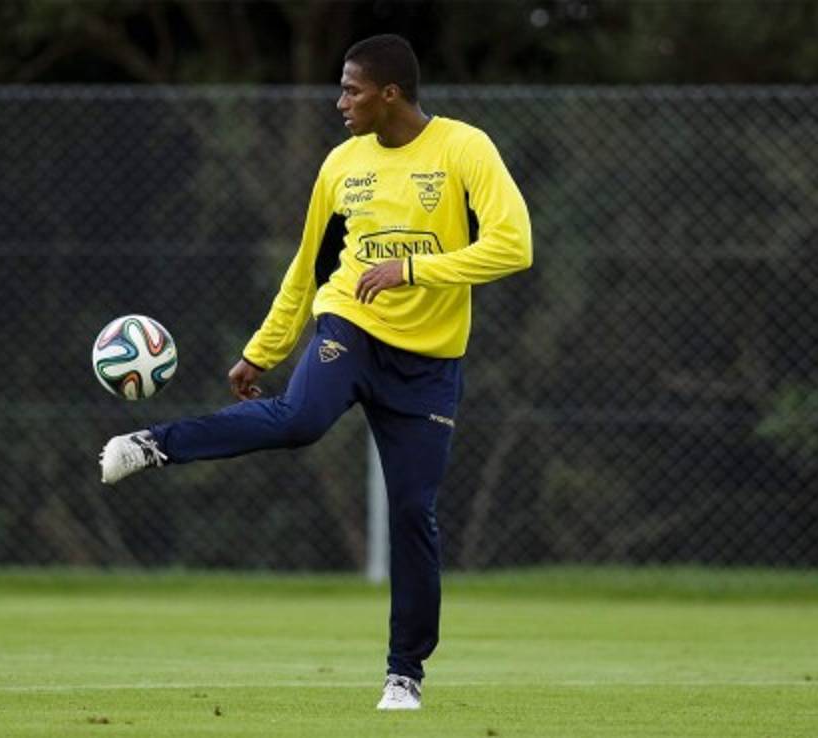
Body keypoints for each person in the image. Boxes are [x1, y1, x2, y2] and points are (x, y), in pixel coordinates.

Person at [99, 33, 532, 710]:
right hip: (350, 326)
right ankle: (154, 444)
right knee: (300, 420)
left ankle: (404, 674)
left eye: (352, 90)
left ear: (390, 94)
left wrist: (412, 268)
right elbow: (306, 271)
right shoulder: (341, 165)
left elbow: (514, 245)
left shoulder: (463, 148)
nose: (340, 102)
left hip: (430, 365)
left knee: (414, 513)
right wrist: (263, 351)